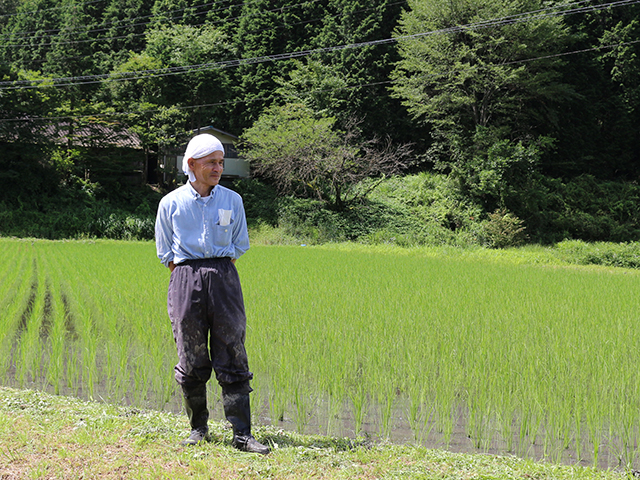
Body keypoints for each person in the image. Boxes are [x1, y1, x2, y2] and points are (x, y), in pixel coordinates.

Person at [155, 133, 270, 455]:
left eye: (220, 162)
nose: (218, 168)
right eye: (211, 163)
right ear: (191, 165)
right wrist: (190, 276)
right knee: (190, 355)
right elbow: (166, 252)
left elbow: (239, 243)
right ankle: (198, 429)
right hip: (185, 278)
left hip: (223, 278)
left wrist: (215, 270)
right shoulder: (171, 203)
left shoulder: (232, 200)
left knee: (232, 350)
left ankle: (242, 435)